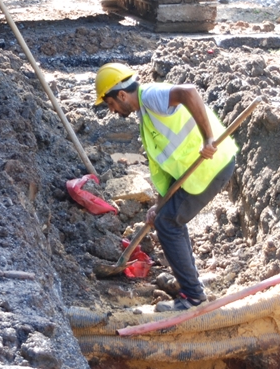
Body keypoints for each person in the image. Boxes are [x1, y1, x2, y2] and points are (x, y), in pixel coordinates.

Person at [94, 62, 238, 311]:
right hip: (199, 171)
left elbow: (189, 92)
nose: (113, 110)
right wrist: (159, 205)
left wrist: (208, 139)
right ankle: (191, 284)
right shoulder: (146, 117)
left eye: (111, 104)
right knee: (166, 217)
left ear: (121, 94)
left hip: (211, 165)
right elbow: (165, 169)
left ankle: (193, 297)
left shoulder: (150, 97)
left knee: (168, 224)